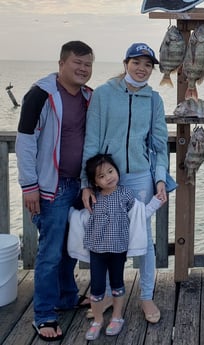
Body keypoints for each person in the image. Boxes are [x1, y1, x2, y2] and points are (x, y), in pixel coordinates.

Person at [81, 42, 169, 324]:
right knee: (105, 238)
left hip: (141, 176)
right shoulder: (104, 94)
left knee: (143, 238)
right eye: (136, 62)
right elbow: (92, 140)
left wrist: (159, 178)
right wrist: (87, 182)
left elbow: (159, 145)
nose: (142, 69)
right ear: (125, 63)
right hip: (106, 180)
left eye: (148, 64)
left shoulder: (154, 99)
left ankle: (145, 295)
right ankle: (106, 294)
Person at [15, 40, 94, 341]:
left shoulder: (89, 97)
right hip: (51, 187)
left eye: (88, 64)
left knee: (70, 246)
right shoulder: (40, 95)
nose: (83, 69)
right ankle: (44, 313)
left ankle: (66, 296)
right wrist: (29, 186)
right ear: (61, 63)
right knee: (49, 252)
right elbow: (25, 141)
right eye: (77, 62)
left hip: (80, 184)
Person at [79, 154, 163, 340]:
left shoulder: (125, 194)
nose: (109, 177)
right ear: (94, 182)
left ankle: (117, 317)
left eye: (111, 171)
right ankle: (98, 320)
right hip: (96, 251)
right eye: (102, 176)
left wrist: (156, 202)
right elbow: (79, 219)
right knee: (97, 287)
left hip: (118, 250)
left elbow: (140, 215)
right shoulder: (93, 197)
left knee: (118, 284)